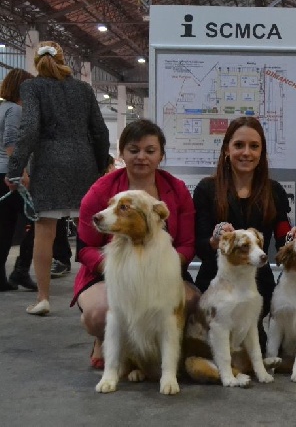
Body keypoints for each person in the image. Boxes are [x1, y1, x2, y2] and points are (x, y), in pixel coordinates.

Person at [72, 119, 198, 369]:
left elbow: (187, 245)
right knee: (99, 314)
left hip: (162, 273)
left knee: (193, 302)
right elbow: (85, 248)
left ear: (161, 155)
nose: (142, 157)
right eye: (133, 150)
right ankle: (102, 339)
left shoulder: (177, 190)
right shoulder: (100, 191)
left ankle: (157, 354)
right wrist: (116, 267)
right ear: (122, 153)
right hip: (109, 275)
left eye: (150, 151)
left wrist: (162, 266)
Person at [5, 41, 109, 315]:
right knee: (91, 230)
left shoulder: (32, 87)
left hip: (49, 165)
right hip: (84, 164)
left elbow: (28, 130)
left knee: (44, 231)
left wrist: (14, 169)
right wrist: (99, 168)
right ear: (64, 60)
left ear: (36, 64)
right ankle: (100, 291)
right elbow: (100, 131)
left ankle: (43, 298)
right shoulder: (83, 89)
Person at [193, 116, 296, 329]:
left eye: (254, 146)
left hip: (258, 284)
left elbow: (283, 237)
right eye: (239, 145)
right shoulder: (206, 189)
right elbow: (199, 246)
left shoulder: (275, 191)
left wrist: (294, 238)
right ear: (226, 150)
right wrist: (215, 241)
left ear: (261, 152)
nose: (246, 152)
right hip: (215, 283)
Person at [0, 68, 36, 291]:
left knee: (3, 228)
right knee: (35, 223)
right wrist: (20, 171)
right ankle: (21, 270)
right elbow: (11, 141)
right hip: (9, 175)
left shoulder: (2, 108)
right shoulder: (15, 110)